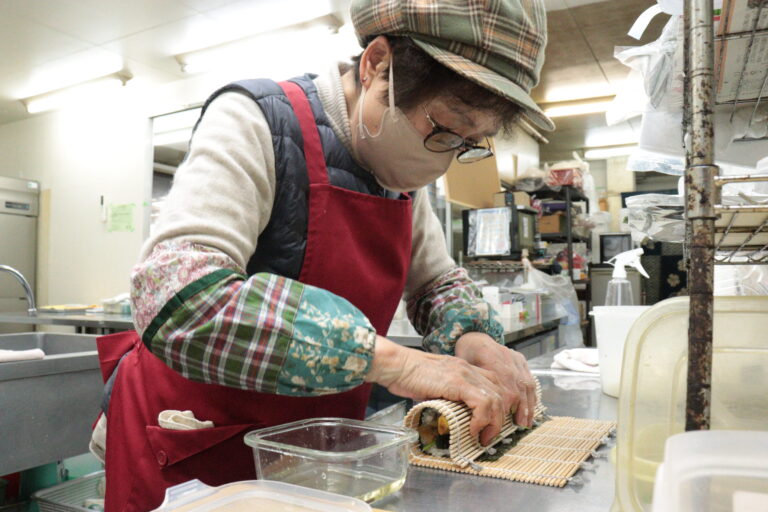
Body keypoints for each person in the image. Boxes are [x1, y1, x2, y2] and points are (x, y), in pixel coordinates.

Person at [92, 0, 554, 509]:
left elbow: (435, 282)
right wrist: (397, 365)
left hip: (314, 454)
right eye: (444, 129)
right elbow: (178, 297)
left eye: (470, 143)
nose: (444, 161)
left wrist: (470, 335)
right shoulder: (257, 119)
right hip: (194, 439)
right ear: (378, 64)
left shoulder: (398, 176)